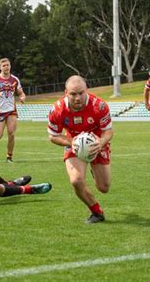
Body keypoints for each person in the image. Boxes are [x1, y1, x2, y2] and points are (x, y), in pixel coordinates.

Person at [48, 75, 113, 224]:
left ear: (86, 91)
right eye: (73, 94)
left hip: (97, 141)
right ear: (66, 92)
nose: (77, 98)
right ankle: (96, 212)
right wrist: (73, 142)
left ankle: (93, 170)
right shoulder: (57, 110)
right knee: (77, 180)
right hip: (73, 142)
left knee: (104, 187)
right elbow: (52, 136)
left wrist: (101, 142)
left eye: (81, 93)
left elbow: (108, 131)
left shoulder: (100, 106)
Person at [0, 58, 26, 163]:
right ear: (0, 67)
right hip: (0, 110)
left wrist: (22, 97)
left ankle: (9, 156)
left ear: (10, 66)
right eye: (4, 66)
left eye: (7, 65)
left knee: (11, 133)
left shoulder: (15, 79)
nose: (6, 67)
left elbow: (21, 92)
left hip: (12, 110)